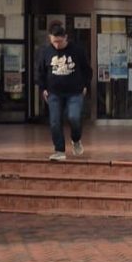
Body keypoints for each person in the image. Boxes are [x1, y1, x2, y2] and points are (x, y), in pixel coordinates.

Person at [35, 23, 92, 161]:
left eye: (60, 42)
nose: (57, 45)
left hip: (75, 92)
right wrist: (43, 88)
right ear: (50, 38)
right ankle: (59, 150)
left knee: (74, 117)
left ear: (65, 37)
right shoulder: (46, 52)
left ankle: (76, 139)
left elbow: (87, 70)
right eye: (54, 42)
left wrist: (85, 85)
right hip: (54, 93)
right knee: (55, 121)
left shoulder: (77, 50)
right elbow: (40, 72)